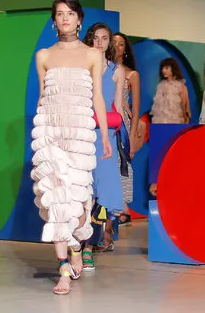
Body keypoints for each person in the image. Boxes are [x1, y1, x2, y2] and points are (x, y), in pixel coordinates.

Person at [30, 0, 112, 295]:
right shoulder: (43, 56)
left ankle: (77, 246)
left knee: (77, 206)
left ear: (79, 19)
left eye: (70, 13)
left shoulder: (93, 54)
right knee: (55, 201)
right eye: (59, 14)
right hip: (50, 132)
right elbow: (42, 97)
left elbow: (99, 98)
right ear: (55, 21)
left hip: (79, 134)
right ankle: (63, 267)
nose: (64, 18)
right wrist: (39, 134)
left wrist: (104, 134)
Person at [80, 22, 125, 268]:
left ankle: (90, 245)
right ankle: (80, 246)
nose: (100, 42)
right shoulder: (81, 69)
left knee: (103, 195)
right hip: (84, 135)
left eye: (104, 38)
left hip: (105, 136)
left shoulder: (116, 71)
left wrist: (120, 137)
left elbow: (116, 107)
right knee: (83, 192)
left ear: (109, 42)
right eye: (96, 38)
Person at [113, 32, 143, 226]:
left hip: (122, 124)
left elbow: (136, 109)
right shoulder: (103, 70)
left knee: (121, 165)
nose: (117, 46)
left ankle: (123, 210)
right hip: (104, 121)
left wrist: (131, 136)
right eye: (114, 42)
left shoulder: (132, 74)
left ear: (125, 49)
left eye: (121, 43)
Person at [150, 58, 191, 123]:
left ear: (173, 69)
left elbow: (185, 107)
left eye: (166, 68)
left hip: (175, 122)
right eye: (162, 68)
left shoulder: (181, 87)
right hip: (160, 123)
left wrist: (186, 119)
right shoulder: (160, 86)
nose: (163, 70)